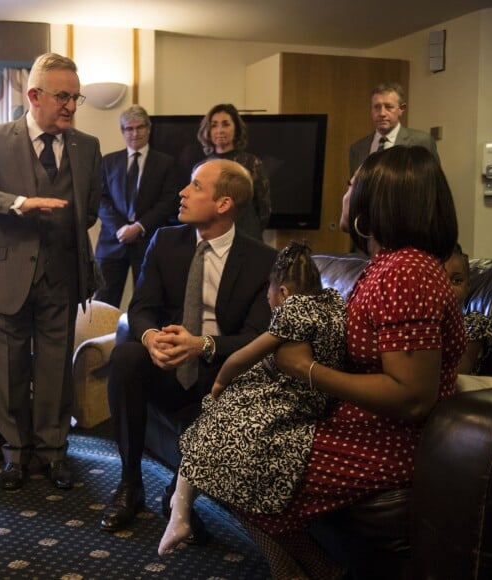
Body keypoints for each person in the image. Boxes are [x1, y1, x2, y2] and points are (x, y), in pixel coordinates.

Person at [236, 146, 466, 579]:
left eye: (351, 185)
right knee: (227, 440)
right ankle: (315, 572)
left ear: (377, 201)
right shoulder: (386, 265)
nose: (344, 194)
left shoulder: (407, 271)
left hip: (391, 444)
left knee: (239, 460)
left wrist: (304, 368)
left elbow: (411, 397)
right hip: (360, 427)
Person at [99, 158, 278, 536]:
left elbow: (257, 336)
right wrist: (151, 340)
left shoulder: (263, 260)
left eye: (196, 186)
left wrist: (203, 345)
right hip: (165, 361)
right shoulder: (165, 241)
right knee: (127, 355)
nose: (183, 192)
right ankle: (129, 485)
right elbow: (142, 307)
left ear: (224, 204)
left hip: (219, 371)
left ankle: (177, 496)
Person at [0, 52, 102, 492]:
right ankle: (14, 454)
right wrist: (19, 204)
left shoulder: (86, 146)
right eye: (62, 96)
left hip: (62, 278)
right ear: (34, 95)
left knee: (56, 371)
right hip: (4, 279)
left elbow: (89, 210)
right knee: (9, 369)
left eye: (76, 97)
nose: (71, 105)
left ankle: (54, 454)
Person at [158, 240, 347, 556]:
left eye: (269, 294)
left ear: (283, 292)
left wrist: (220, 381)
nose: (268, 301)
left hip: (291, 399)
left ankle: (180, 511)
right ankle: (180, 506)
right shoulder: (333, 306)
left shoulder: (294, 308)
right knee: (220, 417)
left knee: (216, 416)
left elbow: (246, 355)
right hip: (316, 399)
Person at [94, 105, 179, 307]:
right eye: (129, 129)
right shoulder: (108, 161)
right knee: (104, 301)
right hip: (113, 242)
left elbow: (168, 202)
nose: (135, 133)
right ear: (122, 131)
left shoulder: (166, 163)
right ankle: (102, 340)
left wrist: (138, 226)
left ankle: (139, 339)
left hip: (148, 240)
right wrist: (121, 229)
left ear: (149, 129)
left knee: (147, 301)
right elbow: (100, 199)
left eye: (140, 127)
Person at [197, 103, 271, 240]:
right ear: (208, 130)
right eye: (214, 125)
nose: (220, 130)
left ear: (236, 128)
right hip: (212, 239)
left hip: (247, 236)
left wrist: (250, 231)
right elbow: (197, 207)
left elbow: (264, 208)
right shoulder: (200, 167)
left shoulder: (252, 164)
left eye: (225, 124)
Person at [349, 82, 440, 176]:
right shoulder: (357, 148)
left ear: (401, 109)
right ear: (371, 110)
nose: (382, 113)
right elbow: (355, 187)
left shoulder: (421, 141)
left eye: (388, 107)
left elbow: (435, 183)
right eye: (377, 107)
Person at [444, 243, 492, 375]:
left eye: (456, 281)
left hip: (461, 389)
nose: (448, 288)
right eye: (441, 279)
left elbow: (460, 371)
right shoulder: (421, 323)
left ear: (468, 286)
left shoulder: (475, 323)